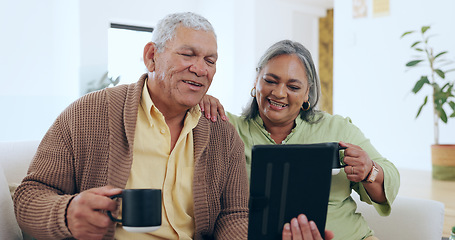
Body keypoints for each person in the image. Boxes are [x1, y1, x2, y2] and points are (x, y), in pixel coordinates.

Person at [13, 13, 331, 240]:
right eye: (188, 54)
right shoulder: (89, 113)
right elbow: (30, 196)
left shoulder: (221, 132)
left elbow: (234, 216)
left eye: (210, 60)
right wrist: (67, 214)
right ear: (152, 57)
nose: (200, 68)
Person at [200, 40, 400, 240]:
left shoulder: (337, 128)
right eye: (270, 80)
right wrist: (197, 100)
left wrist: (369, 170)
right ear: (256, 80)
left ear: (307, 93)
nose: (279, 93)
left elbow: (389, 178)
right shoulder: (226, 128)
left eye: (293, 86)